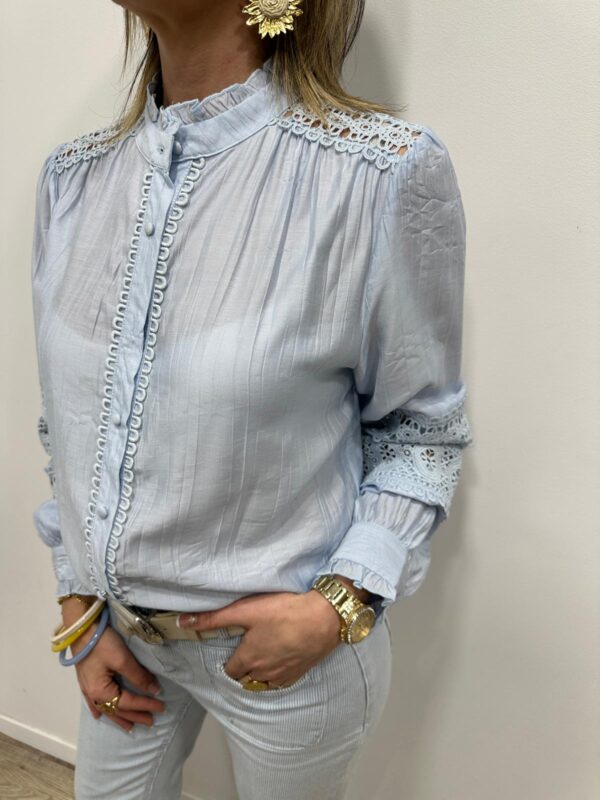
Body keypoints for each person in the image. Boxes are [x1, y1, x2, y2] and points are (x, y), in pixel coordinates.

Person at [30, 1, 474, 798]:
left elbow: (420, 433)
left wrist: (338, 606)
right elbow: (69, 428)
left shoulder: (378, 173)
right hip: (122, 641)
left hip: (294, 659)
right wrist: (79, 601)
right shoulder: (72, 181)